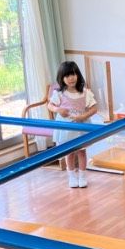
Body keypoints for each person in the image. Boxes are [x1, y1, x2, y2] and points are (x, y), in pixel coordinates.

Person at [48, 60, 98, 189]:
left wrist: (83, 116)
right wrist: (58, 110)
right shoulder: (59, 94)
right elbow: (50, 105)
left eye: (73, 74)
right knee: (69, 152)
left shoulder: (85, 92)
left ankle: (82, 176)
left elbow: (94, 108)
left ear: (78, 75)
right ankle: (72, 176)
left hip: (81, 126)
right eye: (67, 76)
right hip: (66, 128)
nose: (71, 78)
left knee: (82, 152)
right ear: (62, 78)